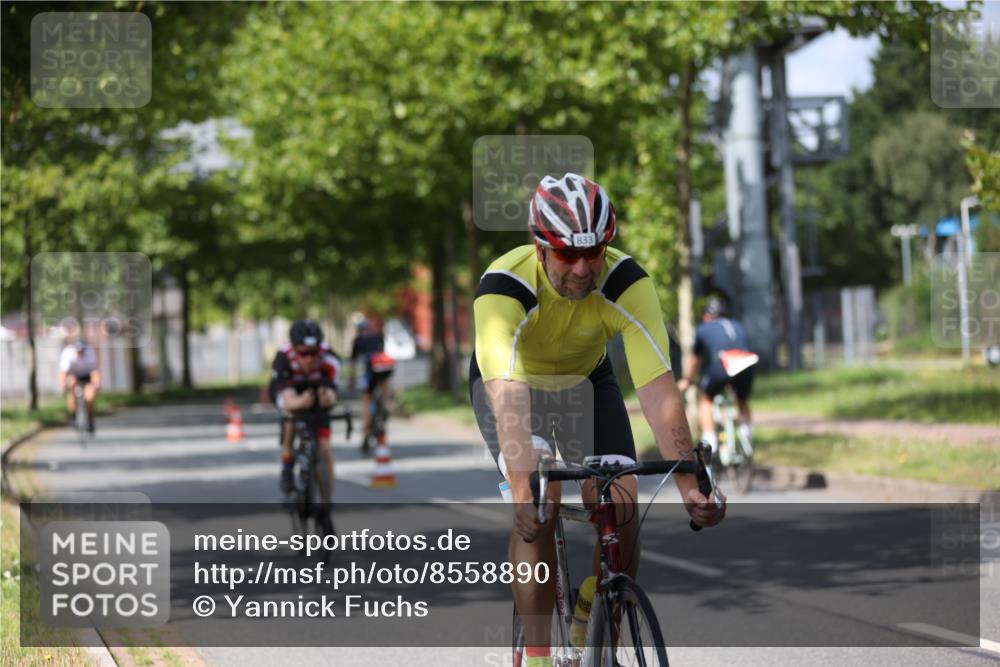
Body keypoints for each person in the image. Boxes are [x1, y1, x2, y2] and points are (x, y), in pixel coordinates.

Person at [470, 173, 726, 666]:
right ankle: (541, 656)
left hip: (588, 385)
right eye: (568, 254)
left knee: (622, 502)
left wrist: (691, 484)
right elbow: (507, 396)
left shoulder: (627, 281)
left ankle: (595, 607)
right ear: (539, 245)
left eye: (596, 252)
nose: (585, 268)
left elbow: (657, 387)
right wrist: (524, 492)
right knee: (539, 510)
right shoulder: (503, 288)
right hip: (514, 389)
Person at [677, 297, 757, 464]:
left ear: (707, 316)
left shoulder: (703, 328)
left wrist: (687, 379)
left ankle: (710, 439)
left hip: (723, 363)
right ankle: (746, 432)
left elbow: (695, 361)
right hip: (747, 362)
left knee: (706, 398)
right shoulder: (737, 324)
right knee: (742, 398)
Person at [269, 320, 340, 504]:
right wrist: (300, 402)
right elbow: (286, 398)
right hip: (291, 392)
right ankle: (287, 462)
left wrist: (328, 397)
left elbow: (332, 392)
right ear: (294, 349)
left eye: (313, 353)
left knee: (325, 449)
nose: (309, 358)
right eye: (303, 353)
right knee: (292, 414)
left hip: (316, 392)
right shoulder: (283, 359)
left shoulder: (329, 358)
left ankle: (326, 505)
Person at [350, 318, 394, 448]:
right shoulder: (378, 336)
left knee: (366, 400)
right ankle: (386, 406)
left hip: (370, 370)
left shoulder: (358, 341)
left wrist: (351, 379)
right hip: (383, 367)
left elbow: (354, 363)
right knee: (384, 385)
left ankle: (366, 430)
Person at [59, 338, 101, 433]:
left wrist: (97, 383)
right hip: (73, 375)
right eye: (78, 351)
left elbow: (95, 371)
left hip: (87, 375)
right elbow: (63, 372)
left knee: (90, 397)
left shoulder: (90, 352)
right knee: (72, 386)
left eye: (82, 351)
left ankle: (90, 420)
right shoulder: (68, 353)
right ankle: (73, 416)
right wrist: (63, 384)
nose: (80, 353)